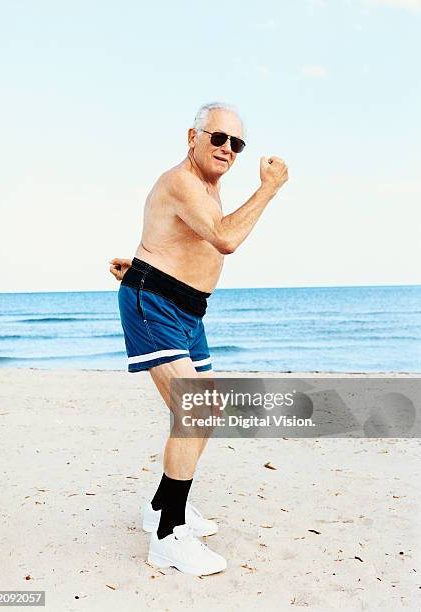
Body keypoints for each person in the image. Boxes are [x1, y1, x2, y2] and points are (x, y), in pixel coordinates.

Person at [109, 101, 288, 576]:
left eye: (237, 143)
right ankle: (169, 535)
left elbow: (167, 237)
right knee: (199, 408)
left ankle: (159, 509)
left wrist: (139, 264)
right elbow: (224, 238)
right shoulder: (183, 180)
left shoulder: (206, 188)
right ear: (193, 138)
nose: (228, 149)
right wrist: (268, 188)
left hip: (185, 308)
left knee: (199, 412)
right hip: (158, 304)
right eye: (219, 138)